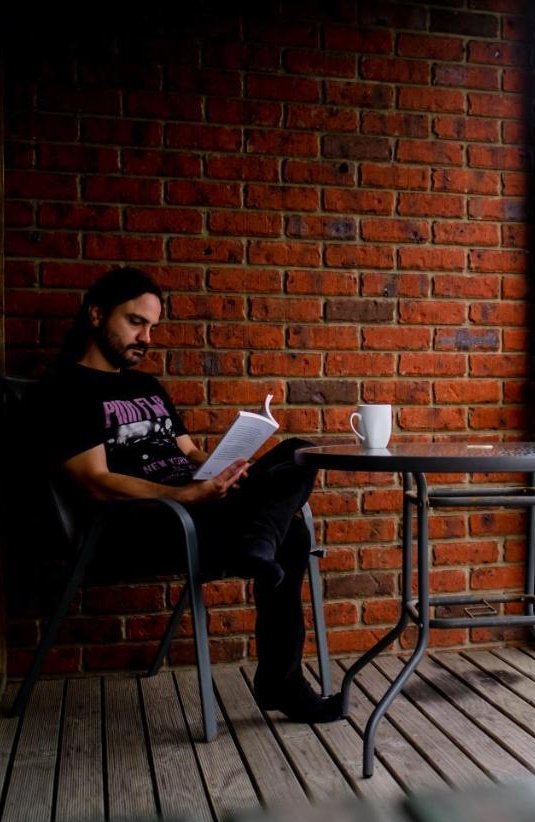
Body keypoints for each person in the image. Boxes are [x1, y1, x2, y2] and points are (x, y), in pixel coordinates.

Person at [45, 267, 342, 723]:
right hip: (144, 523)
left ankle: (257, 540)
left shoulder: (147, 387)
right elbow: (96, 480)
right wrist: (185, 496)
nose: (146, 337)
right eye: (135, 322)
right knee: (293, 538)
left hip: (197, 503)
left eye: (153, 327)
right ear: (96, 314)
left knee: (299, 453)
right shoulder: (66, 389)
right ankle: (281, 682)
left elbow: (189, 453)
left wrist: (225, 467)